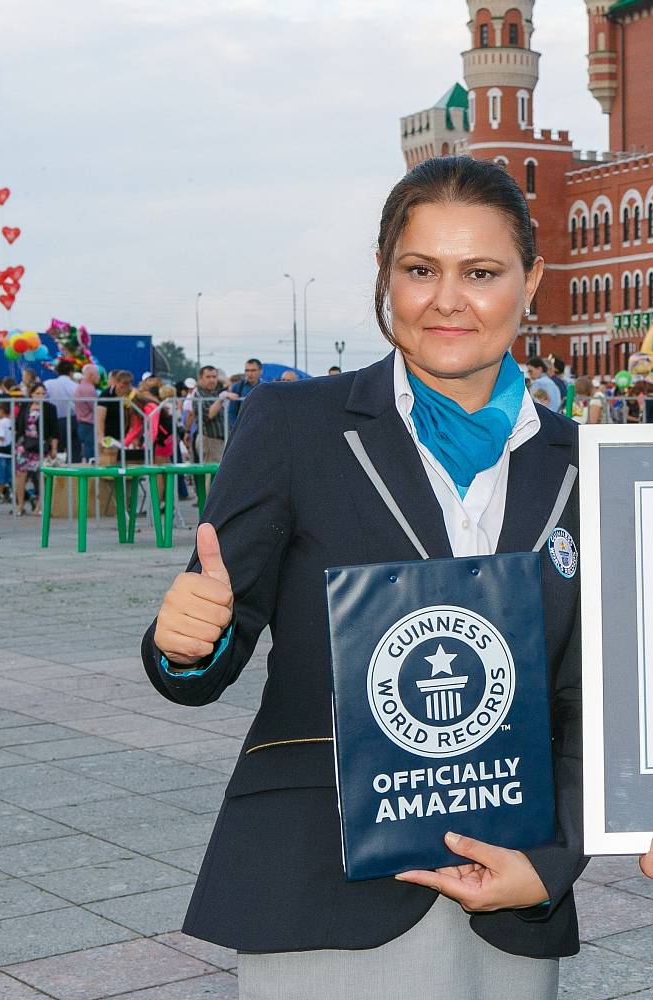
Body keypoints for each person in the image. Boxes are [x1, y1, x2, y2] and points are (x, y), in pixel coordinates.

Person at [142, 157, 584, 1000]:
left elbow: (591, 700)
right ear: (385, 277)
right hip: (324, 883)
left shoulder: (581, 463)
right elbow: (206, 653)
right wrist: (188, 643)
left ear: (531, 281)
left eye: (481, 273)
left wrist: (553, 859)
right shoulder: (294, 426)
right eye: (420, 270)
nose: (447, 300)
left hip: (510, 893)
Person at [190, 365, 230, 463]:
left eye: (214, 377)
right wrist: (221, 399)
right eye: (208, 377)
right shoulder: (198, 394)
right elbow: (208, 415)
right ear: (201, 379)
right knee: (212, 471)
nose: (211, 380)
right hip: (208, 440)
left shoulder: (217, 391)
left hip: (221, 440)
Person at [73, 364, 101, 462]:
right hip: (88, 424)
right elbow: (96, 408)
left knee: (89, 448)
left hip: (84, 424)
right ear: (91, 375)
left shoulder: (82, 386)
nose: (99, 377)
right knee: (92, 451)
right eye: (97, 374)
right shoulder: (88, 389)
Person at [225, 359, 263, 427]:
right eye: (247, 370)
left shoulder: (266, 387)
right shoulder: (237, 387)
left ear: (260, 371)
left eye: (253, 370)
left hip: (261, 426)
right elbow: (232, 412)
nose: (249, 374)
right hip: (243, 427)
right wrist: (236, 428)